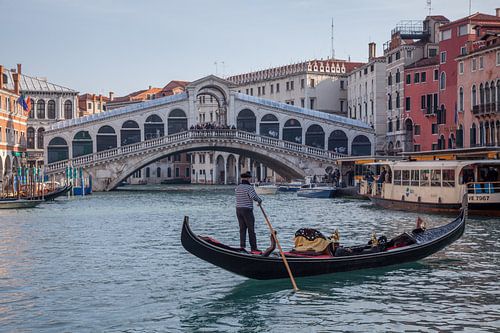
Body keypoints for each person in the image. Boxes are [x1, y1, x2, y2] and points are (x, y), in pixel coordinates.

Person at [235, 171, 263, 253]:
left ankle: (242, 246)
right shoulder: (249, 187)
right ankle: (254, 248)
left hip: (238, 209)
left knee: (242, 229)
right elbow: (254, 197)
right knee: (251, 229)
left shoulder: (237, 187)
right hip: (247, 210)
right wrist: (260, 201)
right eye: (249, 178)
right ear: (247, 178)